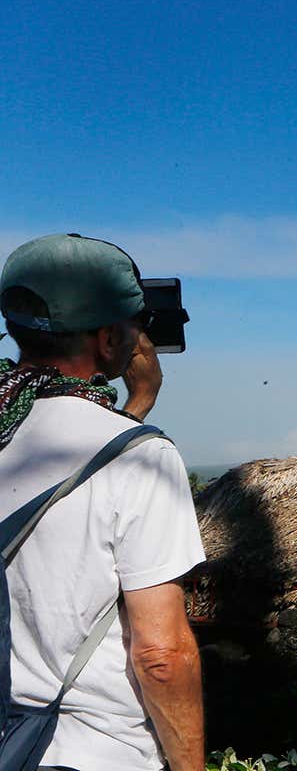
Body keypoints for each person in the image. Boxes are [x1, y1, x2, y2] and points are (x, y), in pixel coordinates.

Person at [0, 234, 205, 771]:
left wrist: (134, 411)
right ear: (110, 338)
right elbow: (160, 654)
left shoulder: (5, 426)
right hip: (94, 752)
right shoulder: (143, 458)